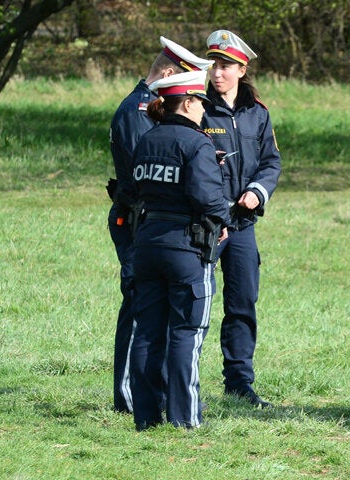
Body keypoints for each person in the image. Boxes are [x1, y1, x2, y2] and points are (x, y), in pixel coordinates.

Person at [107, 36, 213, 414]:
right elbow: (147, 180)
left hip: (154, 224)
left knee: (158, 315)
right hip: (142, 221)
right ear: (169, 75)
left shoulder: (149, 111)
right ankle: (130, 399)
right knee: (142, 313)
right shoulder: (137, 112)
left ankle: (158, 397)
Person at [122, 68, 231, 430]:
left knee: (148, 332)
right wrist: (224, 216)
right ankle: (186, 420)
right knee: (187, 333)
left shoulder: (147, 140)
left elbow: (134, 190)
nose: (203, 108)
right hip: (186, 247)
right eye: (200, 101)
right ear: (186, 102)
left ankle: (146, 419)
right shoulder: (196, 143)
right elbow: (206, 198)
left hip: (147, 244)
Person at [201, 29, 282, 408]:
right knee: (192, 302)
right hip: (203, 224)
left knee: (242, 303)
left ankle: (239, 382)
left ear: (241, 68)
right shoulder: (196, 108)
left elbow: (271, 162)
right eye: (214, 65)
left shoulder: (258, 113)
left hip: (243, 225)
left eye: (225, 66)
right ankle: (180, 379)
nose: (217, 73)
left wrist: (257, 192)